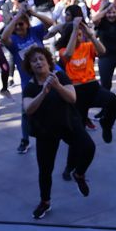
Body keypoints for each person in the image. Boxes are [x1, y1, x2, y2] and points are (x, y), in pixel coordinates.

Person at [22, 45, 94, 219]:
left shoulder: (59, 76)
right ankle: (45, 202)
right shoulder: (30, 87)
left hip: (68, 123)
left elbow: (72, 97)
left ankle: (79, 173)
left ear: (48, 62)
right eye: (34, 61)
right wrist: (43, 92)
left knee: (89, 148)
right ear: (30, 67)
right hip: (46, 130)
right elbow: (28, 109)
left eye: (41, 59)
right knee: (45, 170)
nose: (38, 63)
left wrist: (57, 86)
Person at [59, 13, 116, 146]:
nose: (78, 37)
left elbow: (103, 51)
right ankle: (74, 160)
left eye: (80, 35)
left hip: (92, 87)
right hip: (76, 92)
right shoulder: (63, 50)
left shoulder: (87, 46)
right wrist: (75, 29)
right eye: (75, 35)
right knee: (79, 131)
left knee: (114, 101)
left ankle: (106, 124)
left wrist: (90, 34)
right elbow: (68, 55)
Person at [1, 6, 55, 154]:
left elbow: (50, 23)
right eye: (16, 24)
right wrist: (16, 16)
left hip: (48, 74)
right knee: (26, 111)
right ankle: (25, 140)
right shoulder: (13, 40)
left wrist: (33, 13)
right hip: (29, 81)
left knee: (60, 100)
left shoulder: (35, 31)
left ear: (27, 24)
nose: (19, 26)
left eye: (21, 23)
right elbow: (3, 38)